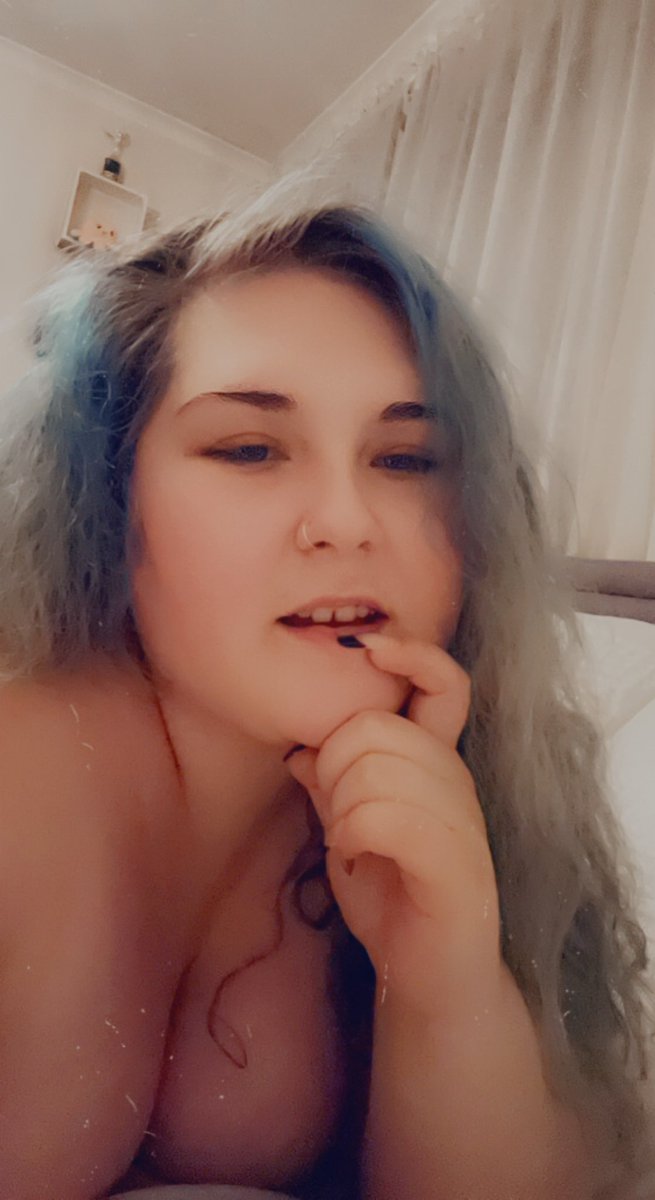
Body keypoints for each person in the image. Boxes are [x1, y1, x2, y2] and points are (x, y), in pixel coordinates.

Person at [0, 182, 653, 1200]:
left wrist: (444, 982)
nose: (346, 521)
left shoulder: (493, 801)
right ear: (107, 501)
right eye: (250, 449)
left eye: (407, 458)